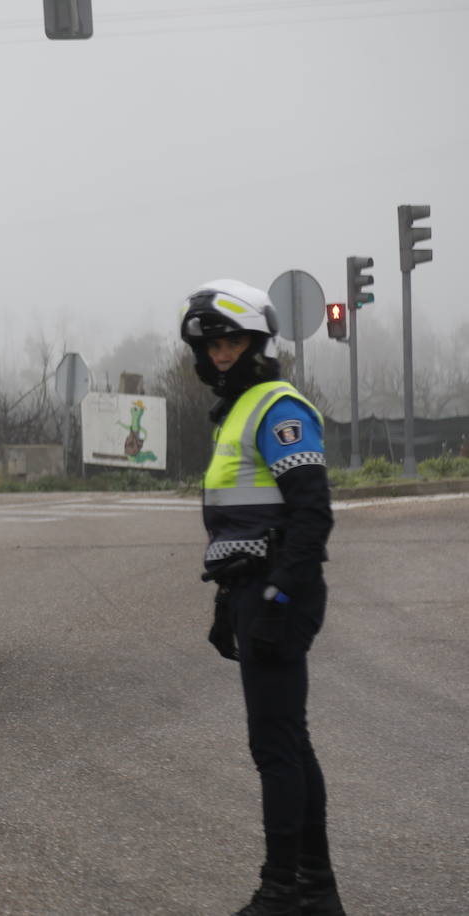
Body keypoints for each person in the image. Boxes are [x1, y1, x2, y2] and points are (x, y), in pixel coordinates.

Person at [179, 279, 345, 916]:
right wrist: (233, 600)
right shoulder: (240, 408)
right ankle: (316, 890)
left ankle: (281, 893)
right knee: (289, 740)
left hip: (282, 592)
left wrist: (276, 597)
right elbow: (245, 521)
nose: (222, 353)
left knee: (274, 744)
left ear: (257, 342)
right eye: (214, 344)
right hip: (255, 589)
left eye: (233, 341)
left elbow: (313, 516)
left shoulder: (278, 407)